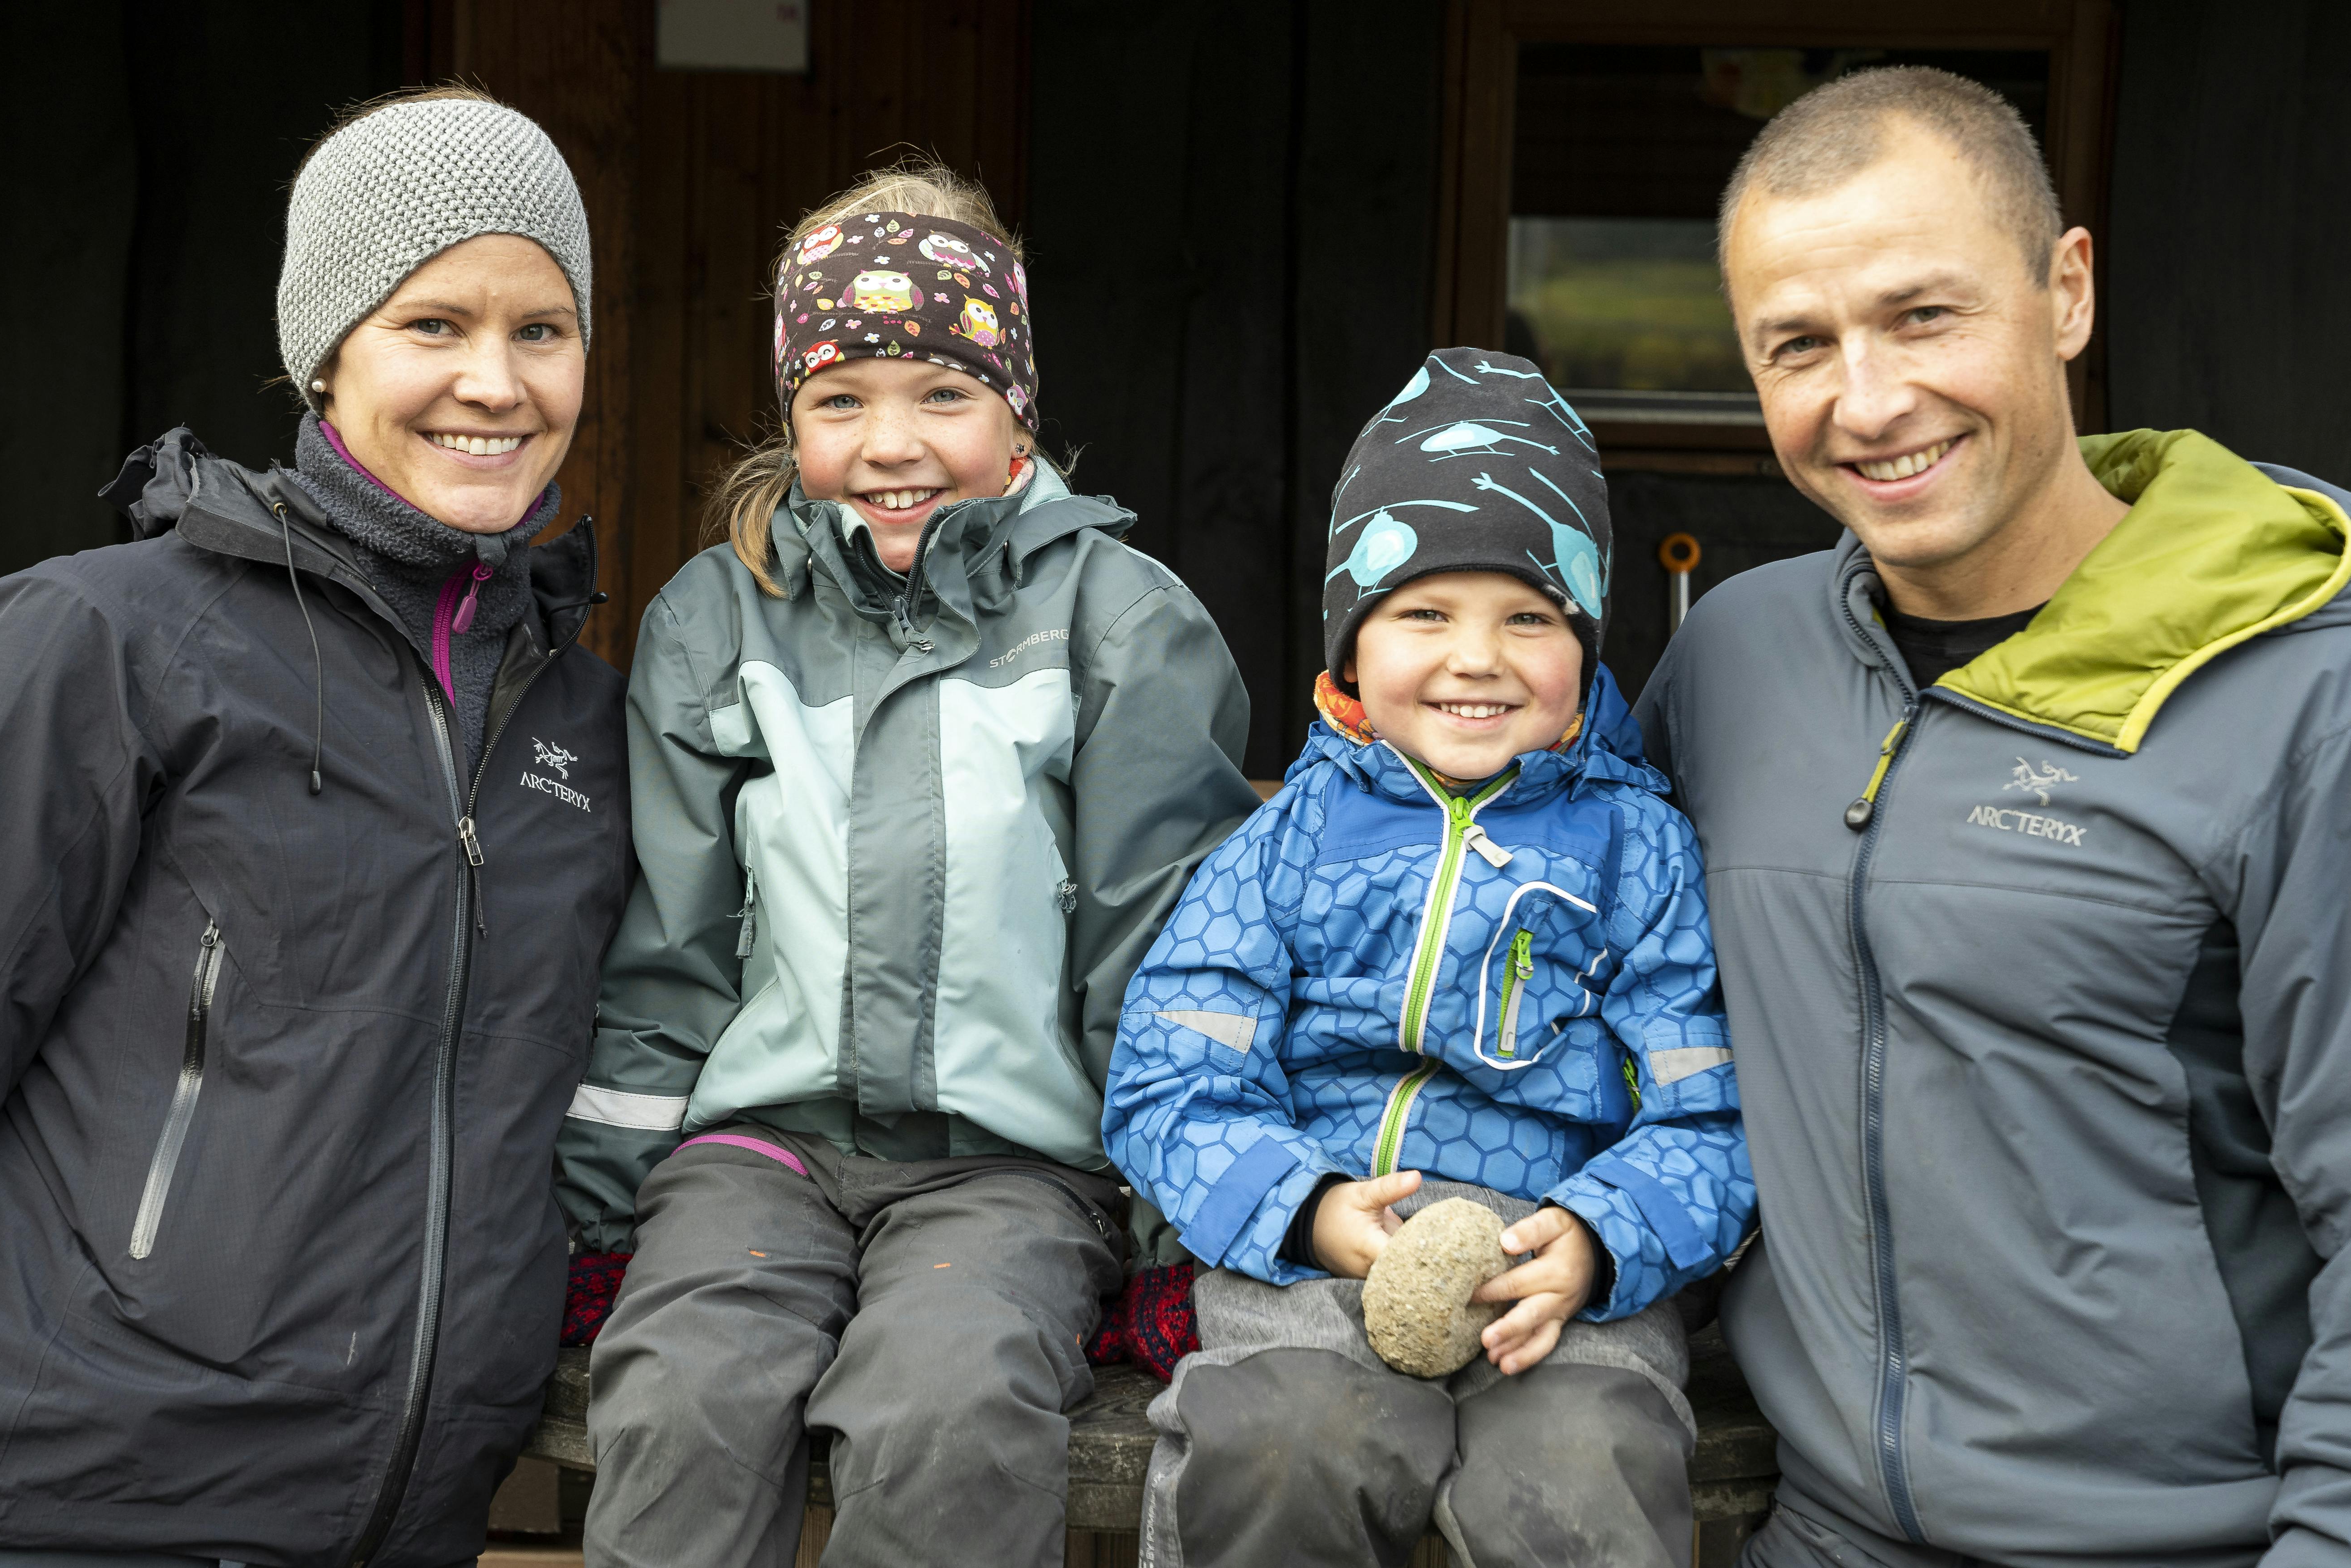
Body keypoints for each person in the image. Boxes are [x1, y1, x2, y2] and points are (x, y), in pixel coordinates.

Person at [0, 86, 630, 1568]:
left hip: (398, 1528)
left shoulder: (582, 725)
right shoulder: (102, 643)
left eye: (541, 330)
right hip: (58, 1515)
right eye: (434, 325)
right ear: (326, 349)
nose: (496, 381)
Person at [1636, 65, 2351, 1568]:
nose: (1870, 400)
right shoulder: (1730, 663)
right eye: (1800, 344)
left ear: (2067, 289)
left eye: (1924, 314)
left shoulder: (2305, 698)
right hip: (1823, 1533)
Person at [551, 163, 1261, 1568]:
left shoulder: (1121, 624)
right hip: (759, 1155)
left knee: (945, 1411)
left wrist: (1175, 1231)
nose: (894, 443)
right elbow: (669, 944)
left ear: (1017, 417)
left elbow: (1158, 947)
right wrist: (597, 1209)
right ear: (793, 416)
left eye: (943, 393)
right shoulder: (723, 617)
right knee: (687, 1389)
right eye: (841, 400)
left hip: (1013, 1170)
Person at [1103, 349, 1755, 1568]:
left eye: (1528, 615)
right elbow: (1169, 1076)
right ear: (1353, 642)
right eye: (1425, 613)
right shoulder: (1287, 841)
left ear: (1585, 642)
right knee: (1283, 1443)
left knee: (1584, 1479)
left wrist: (1604, 1236)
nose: (1476, 656)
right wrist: (1303, 1209)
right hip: (1321, 1249)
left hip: (1561, 1276)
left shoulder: (1641, 849)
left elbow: (1711, 1109)